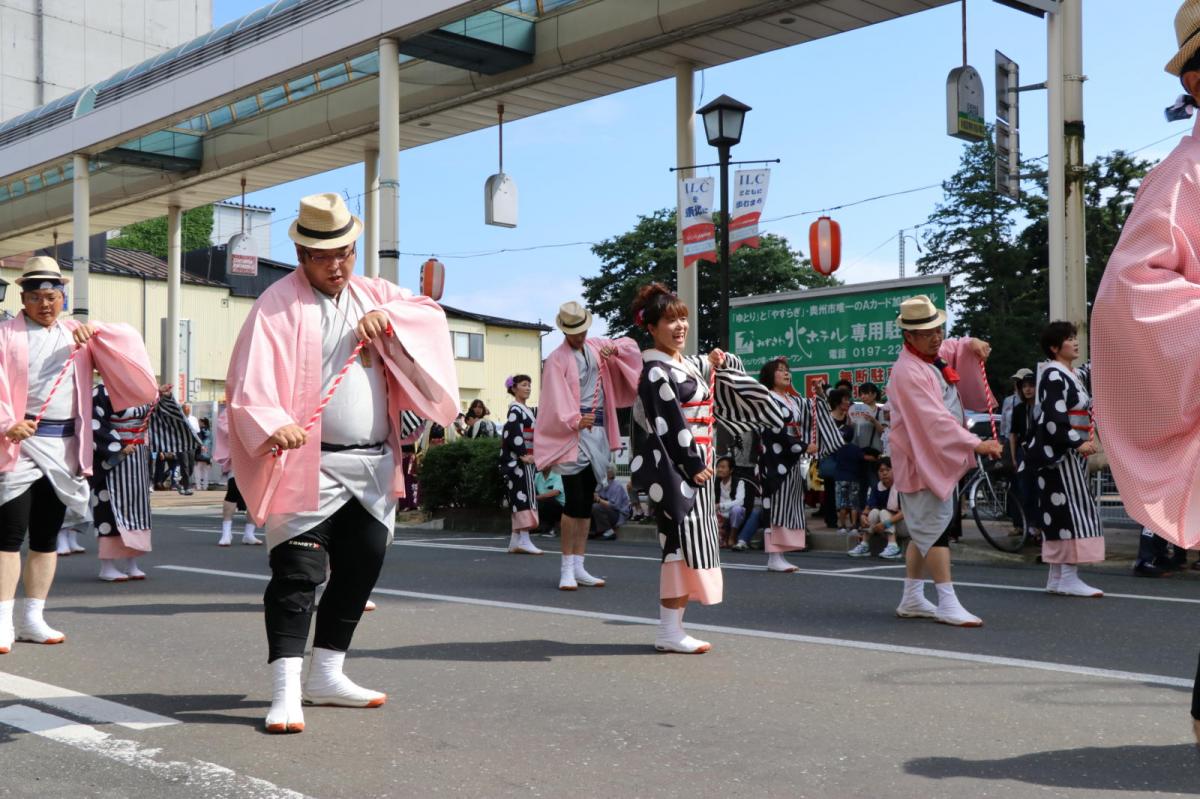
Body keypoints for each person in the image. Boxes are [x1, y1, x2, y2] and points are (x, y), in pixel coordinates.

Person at [225, 193, 459, 734]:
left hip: (371, 463)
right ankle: (286, 689)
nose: (336, 266)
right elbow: (247, 383)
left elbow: (428, 313)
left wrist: (389, 318)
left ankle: (328, 674)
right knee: (297, 575)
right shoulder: (275, 306)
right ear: (301, 255)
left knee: (361, 568)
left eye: (344, 254)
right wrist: (272, 423)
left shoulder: (373, 293)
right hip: (307, 462)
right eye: (323, 256)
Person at [0, 257, 157, 653]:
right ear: (23, 298)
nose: (45, 304)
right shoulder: (4, 335)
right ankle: (1, 620)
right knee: (8, 536)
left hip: (65, 446)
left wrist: (99, 333)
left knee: (46, 537)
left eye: (52, 296)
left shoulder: (77, 334)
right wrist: (7, 424)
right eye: (36, 297)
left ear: (63, 297)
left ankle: (33, 617)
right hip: (18, 444)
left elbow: (129, 352)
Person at [628, 283, 780, 653]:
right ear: (651, 328)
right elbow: (668, 421)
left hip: (696, 465)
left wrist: (714, 359)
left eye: (683, 319)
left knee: (688, 545)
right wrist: (692, 462)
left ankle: (673, 628)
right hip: (677, 468)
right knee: (677, 545)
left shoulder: (681, 364)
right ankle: (669, 631)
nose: (680, 326)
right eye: (670, 321)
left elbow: (704, 365)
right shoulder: (655, 371)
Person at [887, 295, 1002, 627]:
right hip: (920, 459)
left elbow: (954, 347)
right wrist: (976, 443)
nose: (936, 337)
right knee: (935, 530)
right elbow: (933, 421)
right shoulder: (908, 371)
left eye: (938, 329)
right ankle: (947, 601)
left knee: (924, 529)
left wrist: (971, 343)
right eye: (927, 333)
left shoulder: (930, 357)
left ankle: (912, 596)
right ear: (909, 336)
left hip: (931, 458)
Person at [535, 300, 640, 591]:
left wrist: (614, 350)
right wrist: (574, 420)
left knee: (585, 505)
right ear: (564, 331)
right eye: (574, 332)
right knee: (574, 501)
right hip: (572, 434)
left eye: (582, 330)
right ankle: (566, 568)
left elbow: (630, 346)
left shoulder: (595, 346)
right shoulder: (556, 359)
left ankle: (579, 565)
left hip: (597, 431)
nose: (580, 336)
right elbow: (552, 399)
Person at [1020, 322, 1104, 597]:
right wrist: (1078, 442)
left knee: (1059, 511)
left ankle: (1057, 577)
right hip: (1060, 455)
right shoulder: (1054, 375)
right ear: (1055, 347)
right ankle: (1068, 576)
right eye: (1069, 339)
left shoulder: (1069, 373)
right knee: (1070, 511)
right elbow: (1054, 419)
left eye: (1074, 337)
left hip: (1063, 454)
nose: (1075, 342)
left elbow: (1092, 368)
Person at [91, 381, 199, 582]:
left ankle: (132, 562)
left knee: (137, 508)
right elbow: (93, 422)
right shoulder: (102, 390)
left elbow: (156, 416)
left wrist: (161, 397)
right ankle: (107, 565)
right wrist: (116, 446)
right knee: (109, 509)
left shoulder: (140, 388)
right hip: (113, 459)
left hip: (139, 454)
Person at [755, 358, 822, 572]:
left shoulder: (793, 400)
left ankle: (780, 554)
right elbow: (774, 431)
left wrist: (820, 392)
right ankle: (774, 556)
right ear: (770, 375)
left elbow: (813, 412)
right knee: (775, 504)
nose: (786, 373)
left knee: (789, 505)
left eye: (787, 370)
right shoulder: (767, 398)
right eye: (780, 370)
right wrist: (802, 446)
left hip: (792, 458)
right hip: (774, 458)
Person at [500, 375, 541, 555]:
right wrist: (523, 454)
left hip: (525, 459)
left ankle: (515, 541)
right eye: (524, 385)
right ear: (514, 388)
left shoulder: (526, 410)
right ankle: (524, 539)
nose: (528, 388)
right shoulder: (515, 409)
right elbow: (512, 432)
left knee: (520, 497)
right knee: (522, 497)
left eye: (529, 385)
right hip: (518, 462)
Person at [213, 408, 260, 546]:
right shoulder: (233, 407)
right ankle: (226, 532)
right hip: (239, 454)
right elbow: (224, 427)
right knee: (233, 491)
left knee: (255, 496)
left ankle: (249, 533)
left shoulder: (260, 406)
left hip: (258, 454)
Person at [828, 388, 864, 536]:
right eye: (845, 399)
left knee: (846, 497)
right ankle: (836, 522)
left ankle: (847, 525)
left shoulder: (851, 416)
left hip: (847, 461)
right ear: (838, 402)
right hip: (832, 458)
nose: (848, 402)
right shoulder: (829, 418)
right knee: (834, 493)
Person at [1008, 372, 1038, 542]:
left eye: (1031, 386)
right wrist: (1013, 457)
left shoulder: (1042, 407)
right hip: (1023, 452)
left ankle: (1038, 527)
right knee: (1024, 490)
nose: (1027, 389)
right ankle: (1027, 526)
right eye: (1024, 386)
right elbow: (1013, 434)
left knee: (1039, 490)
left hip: (1039, 452)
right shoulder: (1019, 409)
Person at [590, 465, 631, 541]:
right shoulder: (602, 485)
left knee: (596, 507)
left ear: (610, 474)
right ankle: (593, 531)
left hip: (617, 514)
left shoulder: (617, 486)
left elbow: (615, 506)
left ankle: (609, 531)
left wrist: (599, 500)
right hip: (609, 512)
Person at [714, 456, 746, 548]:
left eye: (723, 467)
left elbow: (740, 501)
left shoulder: (739, 482)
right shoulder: (715, 482)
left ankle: (732, 537)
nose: (719, 470)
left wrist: (721, 505)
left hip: (733, 513)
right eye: (718, 467)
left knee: (737, 509)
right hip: (719, 514)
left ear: (731, 470)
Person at [535, 467, 565, 537]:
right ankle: (543, 527)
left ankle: (553, 527)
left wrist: (535, 498)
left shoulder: (558, 475)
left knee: (547, 500)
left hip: (561, 507)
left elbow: (556, 492)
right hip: (545, 504)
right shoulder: (537, 476)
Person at [195, 416, 212, 491]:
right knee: (206, 471)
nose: (198, 423)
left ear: (202, 423)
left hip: (200, 453)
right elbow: (211, 444)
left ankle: (198, 486)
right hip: (207, 455)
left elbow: (198, 442)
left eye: (199, 422)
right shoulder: (209, 432)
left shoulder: (199, 432)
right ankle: (205, 486)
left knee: (197, 470)